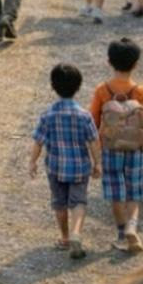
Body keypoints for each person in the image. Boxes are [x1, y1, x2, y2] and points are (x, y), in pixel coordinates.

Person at [89, 38, 143, 252]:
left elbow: (93, 120)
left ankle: (121, 233)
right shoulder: (140, 91)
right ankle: (132, 227)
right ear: (136, 64)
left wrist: (93, 148)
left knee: (116, 192)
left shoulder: (102, 90)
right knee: (133, 191)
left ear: (109, 62)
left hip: (110, 148)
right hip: (134, 148)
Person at [29, 64, 102, 259]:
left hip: (55, 168)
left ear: (53, 86)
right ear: (78, 87)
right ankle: (76, 232)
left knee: (59, 203)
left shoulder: (47, 115)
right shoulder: (84, 116)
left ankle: (65, 237)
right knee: (78, 202)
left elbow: (38, 141)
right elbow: (93, 141)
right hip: (79, 168)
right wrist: (98, 163)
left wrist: (32, 162)